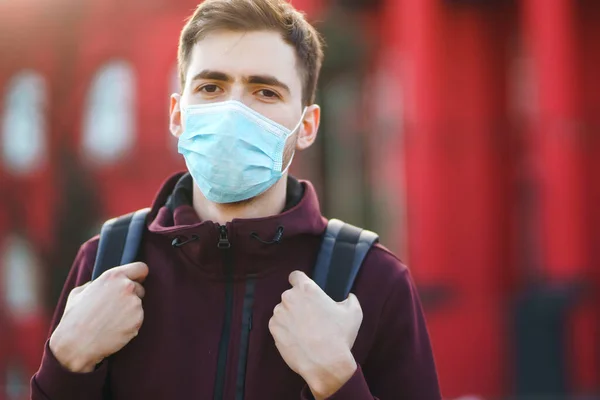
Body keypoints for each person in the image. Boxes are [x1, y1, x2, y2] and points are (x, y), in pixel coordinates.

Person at [30, 0, 441, 398]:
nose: (233, 111)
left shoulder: (373, 282)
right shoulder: (104, 264)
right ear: (177, 114)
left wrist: (338, 380)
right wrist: (65, 363)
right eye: (211, 86)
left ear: (307, 126)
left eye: (265, 92)